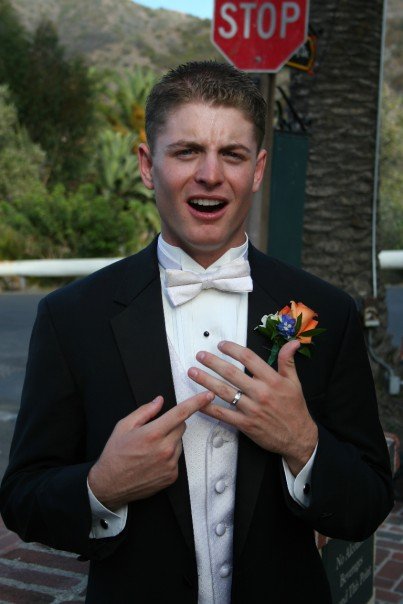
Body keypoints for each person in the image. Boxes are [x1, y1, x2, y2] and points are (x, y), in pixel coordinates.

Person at [0, 61, 394, 603]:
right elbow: (22, 498)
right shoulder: (72, 317)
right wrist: (101, 487)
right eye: (187, 151)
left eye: (231, 154)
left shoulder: (327, 310)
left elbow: (370, 500)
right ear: (147, 164)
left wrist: (302, 442)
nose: (210, 174)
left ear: (256, 170)